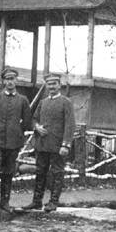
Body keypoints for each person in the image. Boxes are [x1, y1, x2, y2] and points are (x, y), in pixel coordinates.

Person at [26, 73, 77, 212]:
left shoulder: (65, 102)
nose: (52, 87)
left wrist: (66, 144)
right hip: (42, 145)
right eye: (49, 84)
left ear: (59, 85)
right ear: (46, 86)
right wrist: (37, 127)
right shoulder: (43, 102)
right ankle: (36, 201)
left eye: (54, 84)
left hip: (58, 146)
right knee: (40, 172)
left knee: (57, 173)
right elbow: (34, 119)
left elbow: (70, 125)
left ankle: (54, 201)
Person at [0, 68, 32, 210]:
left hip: (13, 143)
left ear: (16, 81)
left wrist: (16, 131)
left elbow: (27, 122)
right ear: (3, 81)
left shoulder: (23, 100)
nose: (10, 82)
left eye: (12, 79)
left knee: (9, 171)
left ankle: (5, 202)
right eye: (7, 79)